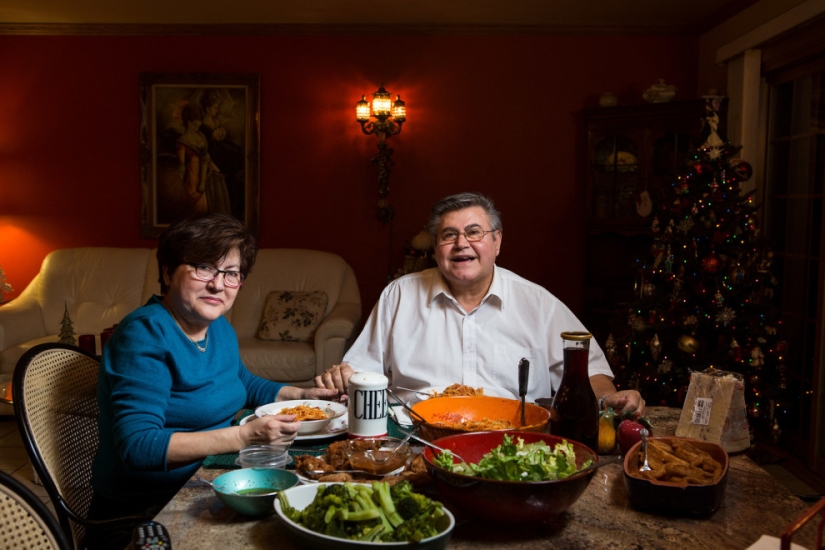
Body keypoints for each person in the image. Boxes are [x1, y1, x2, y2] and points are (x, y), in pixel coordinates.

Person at [88, 212, 338, 549]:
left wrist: (304, 394)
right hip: (145, 513)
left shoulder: (217, 326)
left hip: (208, 482)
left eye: (231, 273)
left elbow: (241, 382)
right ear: (167, 272)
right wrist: (244, 436)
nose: (218, 284)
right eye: (204, 267)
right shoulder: (144, 334)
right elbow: (139, 446)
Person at [316, 192, 645, 416]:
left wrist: (609, 397)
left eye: (474, 232)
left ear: (496, 241)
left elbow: (591, 371)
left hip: (513, 442)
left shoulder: (538, 303)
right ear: (435, 247)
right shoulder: (399, 295)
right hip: (415, 437)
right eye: (449, 235)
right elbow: (362, 371)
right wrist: (342, 375)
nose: (462, 244)